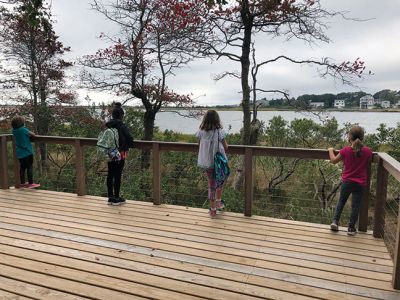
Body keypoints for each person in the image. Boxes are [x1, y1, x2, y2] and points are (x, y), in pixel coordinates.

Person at [328, 125, 373, 235]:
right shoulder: (368, 151)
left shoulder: (345, 150)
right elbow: (366, 163)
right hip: (360, 183)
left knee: (341, 201)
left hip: (347, 181)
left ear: (349, 137)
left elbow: (333, 161)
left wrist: (330, 150)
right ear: (362, 137)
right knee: (356, 205)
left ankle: (335, 222)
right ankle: (351, 228)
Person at [196, 110, 228, 218]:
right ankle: (218, 202)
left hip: (207, 162)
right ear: (216, 119)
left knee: (211, 184)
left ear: (205, 119)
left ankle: (213, 209)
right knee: (220, 181)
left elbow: (199, 145)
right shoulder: (220, 131)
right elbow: (226, 146)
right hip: (219, 162)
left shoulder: (201, 131)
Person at [105, 102, 134, 205]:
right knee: (118, 174)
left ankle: (110, 197)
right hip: (121, 152)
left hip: (110, 152)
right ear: (121, 115)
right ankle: (117, 198)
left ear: (112, 115)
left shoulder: (108, 125)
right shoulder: (121, 125)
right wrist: (129, 144)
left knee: (110, 173)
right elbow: (130, 139)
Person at [11, 116, 39, 188]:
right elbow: (33, 134)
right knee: (29, 167)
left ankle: (22, 183)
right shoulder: (23, 130)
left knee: (22, 168)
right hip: (27, 152)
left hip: (20, 153)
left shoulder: (13, 131)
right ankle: (30, 183)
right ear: (21, 123)